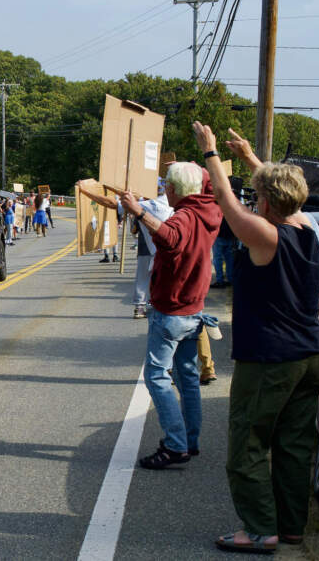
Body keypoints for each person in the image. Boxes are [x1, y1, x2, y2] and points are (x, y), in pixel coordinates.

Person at [193, 123, 319, 554]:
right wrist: (252, 157)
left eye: (260, 195)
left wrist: (212, 154)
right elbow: (281, 190)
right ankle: (289, 527)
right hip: (311, 355)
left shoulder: (266, 235)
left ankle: (258, 530)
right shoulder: (307, 226)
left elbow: (230, 208)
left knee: (248, 443)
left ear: (266, 202)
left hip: (271, 358)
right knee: (292, 445)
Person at [79, 163, 221, 469]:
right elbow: (211, 186)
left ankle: (175, 444)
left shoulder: (181, 216)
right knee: (186, 376)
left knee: (157, 376)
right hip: (195, 308)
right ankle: (190, 439)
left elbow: (170, 237)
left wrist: (139, 213)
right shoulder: (210, 211)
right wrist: (208, 151)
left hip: (171, 309)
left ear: (172, 189)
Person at [130, 185, 172, 318]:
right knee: (161, 276)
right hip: (163, 246)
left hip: (147, 246)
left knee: (143, 277)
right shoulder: (170, 205)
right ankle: (155, 304)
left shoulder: (142, 205)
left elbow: (134, 230)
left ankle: (140, 307)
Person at [211, 216, 237, 288]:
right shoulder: (230, 208)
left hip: (219, 235)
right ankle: (230, 279)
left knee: (218, 259)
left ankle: (220, 281)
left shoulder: (217, 208)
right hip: (230, 235)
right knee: (229, 259)